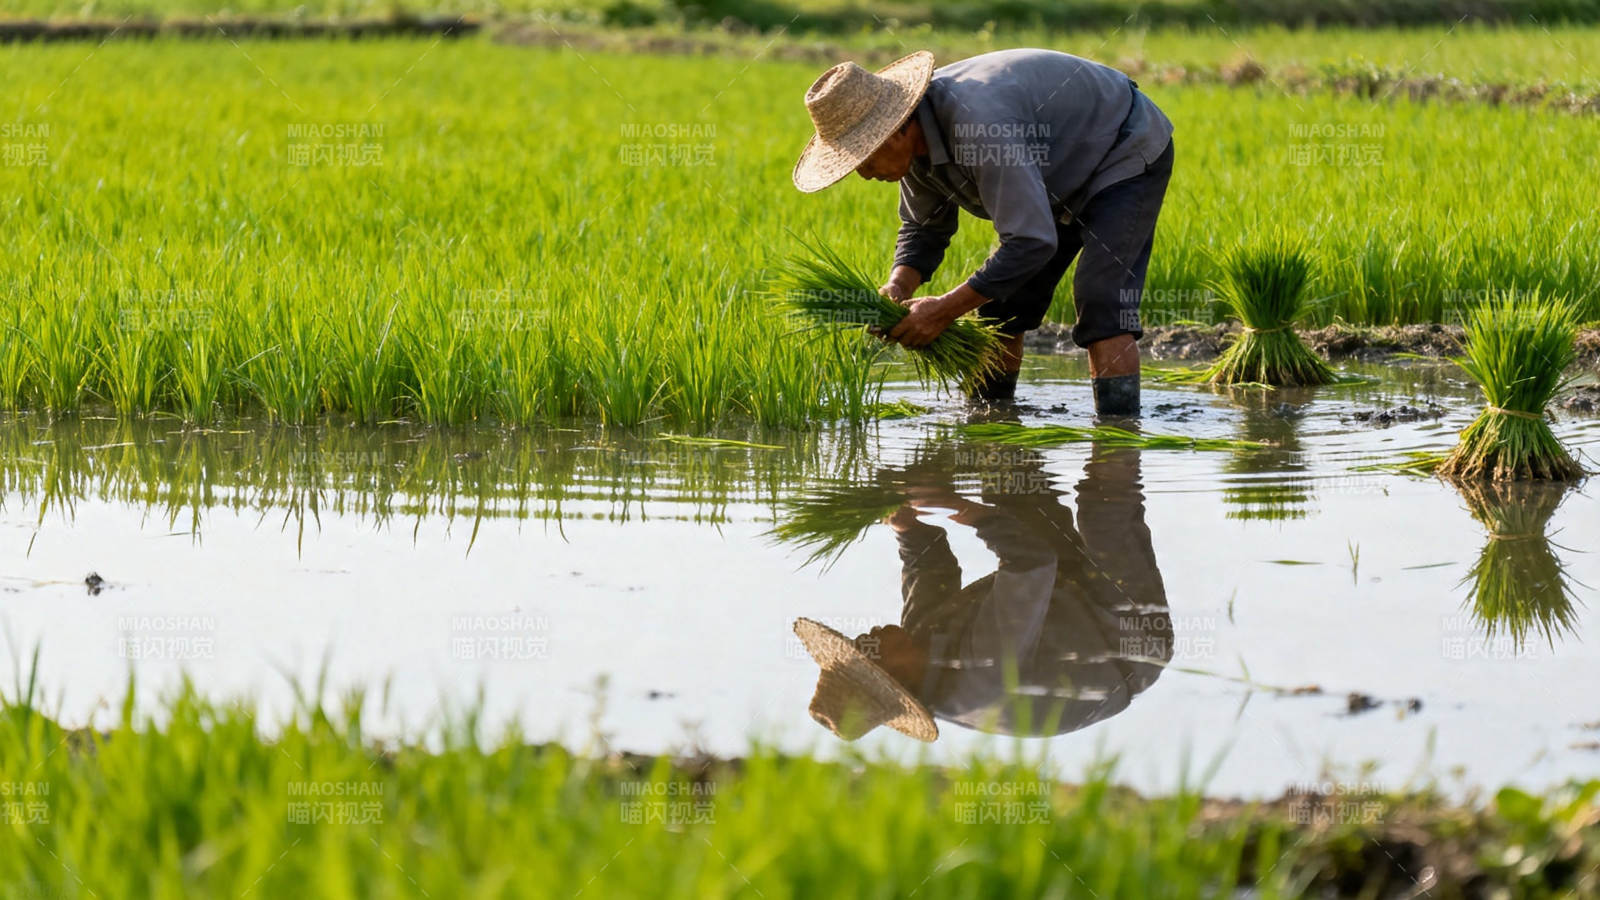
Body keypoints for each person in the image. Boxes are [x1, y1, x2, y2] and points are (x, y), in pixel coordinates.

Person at [791, 49, 1175, 413]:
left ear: (894, 132)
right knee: (1000, 309)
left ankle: (1117, 441)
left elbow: (1029, 241)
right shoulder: (915, 148)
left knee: (1101, 299)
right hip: (1056, 169)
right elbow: (923, 227)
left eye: (864, 157)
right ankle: (993, 422)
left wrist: (942, 311)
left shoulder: (980, 126)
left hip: (1121, 145)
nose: (864, 173)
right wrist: (898, 287)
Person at [791, 434, 1172, 741]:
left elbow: (929, 567)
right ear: (898, 677)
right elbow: (1032, 563)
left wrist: (904, 522)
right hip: (1127, 641)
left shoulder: (918, 641)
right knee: (1104, 507)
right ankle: (1117, 396)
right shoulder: (983, 675)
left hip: (1062, 598)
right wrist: (955, 505)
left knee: (1007, 482)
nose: (863, 637)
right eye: (865, 652)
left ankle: (998, 394)